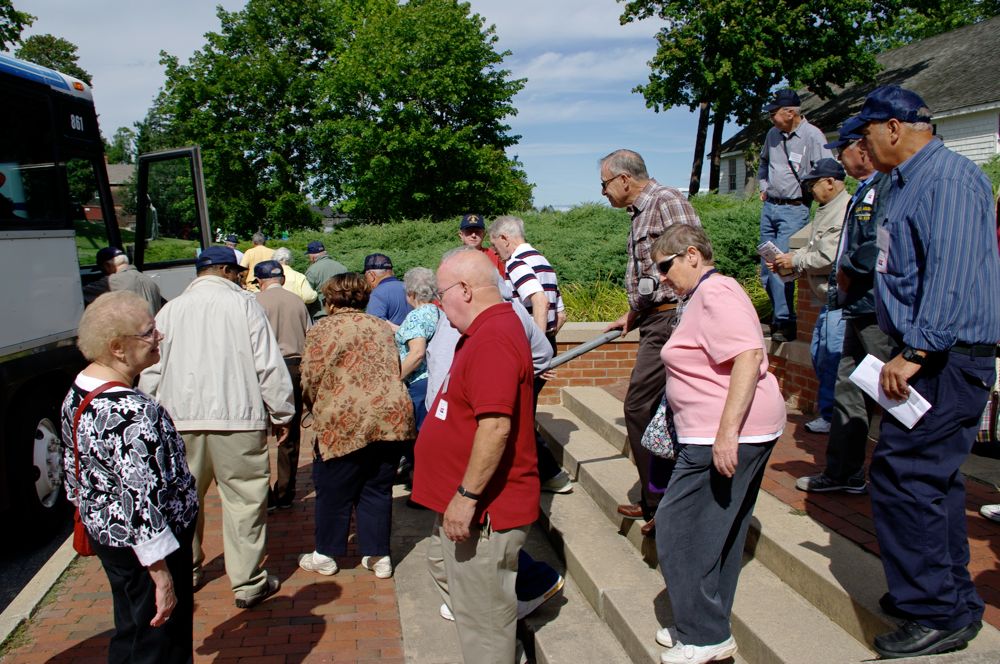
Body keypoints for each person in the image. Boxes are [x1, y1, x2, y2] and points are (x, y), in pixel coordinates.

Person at [855, 85, 1000, 658]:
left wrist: (915, 352)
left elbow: (954, 275)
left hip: (943, 358)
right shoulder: (908, 183)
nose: (864, 145)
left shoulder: (950, 180)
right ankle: (946, 597)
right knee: (929, 482)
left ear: (894, 127)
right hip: (928, 354)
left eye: (868, 133)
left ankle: (935, 609)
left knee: (905, 479)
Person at [650, 224, 785, 664]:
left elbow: (747, 354)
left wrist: (728, 433)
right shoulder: (700, 296)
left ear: (692, 255)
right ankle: (706, 625)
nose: (663, 278)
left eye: (666, 267)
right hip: (718, 432)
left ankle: (705, 635)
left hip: (723, 435)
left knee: (678, 530)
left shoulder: (716, 292)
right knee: (715, 534)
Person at [138, 245, 294, 609]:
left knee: (182, 500)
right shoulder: (244, 306)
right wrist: (282, 412)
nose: (241, 277)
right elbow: (267, 364)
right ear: (226, 271)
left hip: (180, 419)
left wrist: (152, 412)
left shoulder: (170, 310)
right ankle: (248, 581)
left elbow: (151, 369)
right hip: (238, 417)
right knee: (244, 501)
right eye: (238, 272)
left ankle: (186, 570)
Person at [421, 248, 565, 627]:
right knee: (443, 565)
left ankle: (493, 620)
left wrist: (467, 497)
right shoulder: (475, 328)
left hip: (479, 499)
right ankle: (485, 614)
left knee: (486, 619)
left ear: (465, 290)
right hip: (453, 484)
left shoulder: (494, 334)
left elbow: (496, 425)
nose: (439, 301)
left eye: (442, 292)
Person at [61, 291, 199, 663]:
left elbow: (73, 462)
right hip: (146, 546)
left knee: (133, 627)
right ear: (118, 348)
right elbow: (141, 498)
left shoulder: (81, 387)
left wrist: (85, 508)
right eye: (149, 331)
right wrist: (160, 573)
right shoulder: (133, 411)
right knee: (157, 639)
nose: (160, 337)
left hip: (111, 536)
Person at [600, 148, 701, 536]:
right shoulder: (643, 212)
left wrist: (683, 318)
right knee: (654, 411)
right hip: (653, 320)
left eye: (605, 184)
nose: (604, 193)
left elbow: (693, 263)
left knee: (639, 405)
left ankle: (662, 504)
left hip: (671, 322)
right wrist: (634, 312)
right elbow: (652, 275)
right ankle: (657, 498)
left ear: (625, 179)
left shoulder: (667, 202)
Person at [795, 118, 895, 495]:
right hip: (856, 306)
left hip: (876, 309)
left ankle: (894, 480)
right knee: (849, 388)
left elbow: (880, 244)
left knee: (892, 395)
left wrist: (849, 269)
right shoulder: (866, 191)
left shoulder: (886, 188)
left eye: (845, 149)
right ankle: (843, 472)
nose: (844, 157)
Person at [298, 273, 415, 579]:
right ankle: (379, 556)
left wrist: (312, 406)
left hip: (344, 418)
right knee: (376, 487)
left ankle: (325, 553)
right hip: (388, 417)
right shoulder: (380, 326)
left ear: (331, 299)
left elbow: (310, 376)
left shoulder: (323, 328)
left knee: (333, 488)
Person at [488, 215, 572, 492]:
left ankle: (548, 474)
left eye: (495, 244)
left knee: (517, 416)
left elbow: (537, 300)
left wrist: (534, 349)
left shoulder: (517, 262)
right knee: (522, 413)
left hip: (530, 350)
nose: (496, 252)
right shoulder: (542, 261)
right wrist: (547, 340)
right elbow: (561, 313)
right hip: (543, 344)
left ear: (505, 238)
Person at [768, 158, 849, 434]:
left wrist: (796, 261)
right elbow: (816, 249)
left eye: (813, 183)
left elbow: (829, 255)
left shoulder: (843, 209)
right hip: (827, 301)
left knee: (833, 359)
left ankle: (835, 418)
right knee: (820, 355)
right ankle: (829, 415)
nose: (809, 189)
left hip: (840, 300)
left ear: (830, 182)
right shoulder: (826, 209)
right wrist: (789, 260)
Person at [758, 89, 833, 343]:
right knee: (766, 269)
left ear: (790, 112)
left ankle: (784, 321)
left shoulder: (813, 137)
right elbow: (763, 164)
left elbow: (827, 171)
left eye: (774, 113)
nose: (771, 118)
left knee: (781, 266)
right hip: (770, 208)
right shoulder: (772, 135)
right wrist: (763, 188)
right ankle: (780, 315)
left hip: (794, 208)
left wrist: (812, 194)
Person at [254, 260, 312, 510]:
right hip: (295, 367)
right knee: (290, 431)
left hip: (263, 369)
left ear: (258, 281)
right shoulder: (297, 301)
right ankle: (286, 492)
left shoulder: (254, 303)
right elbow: (310, 335)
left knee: (257, 432)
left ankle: (263, 495)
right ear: (283, 279)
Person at [396, 267, 442, 435]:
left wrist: (396, 378)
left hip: (419, 383)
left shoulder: (416, 316)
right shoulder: (437, 311)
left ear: (411, 292)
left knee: (421, 434)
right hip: (435, 378)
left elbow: (417, 353)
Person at [364, 253, 412, 328]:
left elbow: (374, 323)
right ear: (391, 271)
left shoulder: (377, 293)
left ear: (372, 275)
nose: (366, 281)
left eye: (366, 277)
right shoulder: (410, 287)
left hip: (392, 338)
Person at [304, 240, 348, 319]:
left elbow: (307, 295)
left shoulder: (312, 271)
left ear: (313, 257)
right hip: (341, 313)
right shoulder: (342, 267)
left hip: (320, 314)